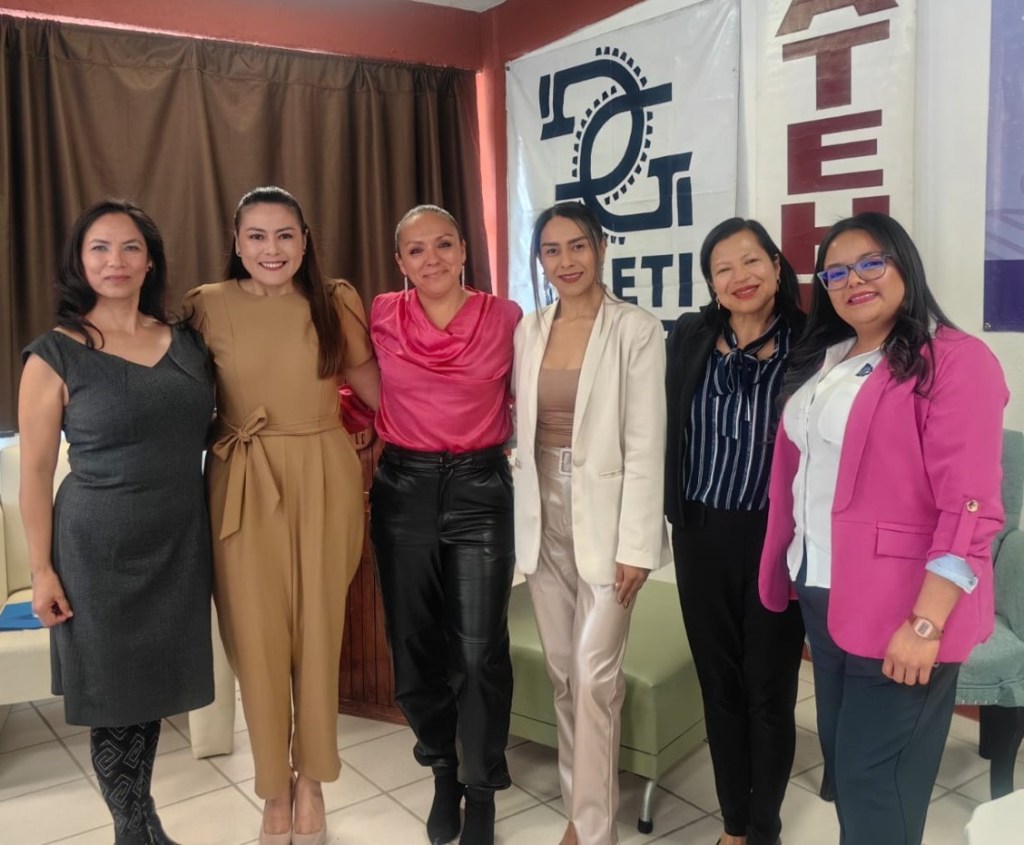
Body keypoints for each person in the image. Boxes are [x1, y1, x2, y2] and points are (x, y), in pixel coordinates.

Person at [759, 212, 1008, 845]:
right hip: (825, 596)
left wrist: (927, 624)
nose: (853, 280)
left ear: (904, 265)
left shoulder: (953, 359)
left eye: (872, 262)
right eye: (836, 271)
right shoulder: (829, 357)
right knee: (848, 768)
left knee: (879, 788)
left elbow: (972, 505)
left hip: (903, 610)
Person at [184, 186, 379, 845]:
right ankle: (273, 787)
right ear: (236, 241)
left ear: (305, 240)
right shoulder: (206, 306)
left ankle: (313, 777)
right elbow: (178, 399)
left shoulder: (336, 300)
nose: (272, 249)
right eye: (258, 235)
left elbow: (380, 391)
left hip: (325, 470)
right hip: (241, 474)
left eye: (285, 235)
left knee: (321, 632)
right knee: (256, 638)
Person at [19, 199, 214, 845]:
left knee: (149, 689)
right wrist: (42, 568)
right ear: (80, 261)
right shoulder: (54, 354)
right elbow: (36, 471)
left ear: (150, 259)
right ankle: (135, 828)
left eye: (129, 247)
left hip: (179, 540)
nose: (115, 261)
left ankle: (142, 821)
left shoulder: (187, 340)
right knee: (115, 697)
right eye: (99, 248)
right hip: (98, 548)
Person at [512, 201, 670, 845]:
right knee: (562, 671)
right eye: (552, 250)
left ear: (601, 247)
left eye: (578, 246)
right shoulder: (530, 327)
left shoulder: (635, 328)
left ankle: (593, 829)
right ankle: (582, 804)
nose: (566, 261)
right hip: (541, 508)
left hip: (607, 519)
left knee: (595, 672)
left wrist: (637, 545)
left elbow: (646, 441)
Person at [369, 204, 521, 845]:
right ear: (399, 261)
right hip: (403, 488)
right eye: (415, 250)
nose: (430, 260)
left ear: (464, 250)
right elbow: (349, 376)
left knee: (479, 649)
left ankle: (481, 789)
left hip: (481, 488)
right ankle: (442, 768)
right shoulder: (379, 314)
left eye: (443, 245)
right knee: (413, 645)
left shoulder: (506, 317)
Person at [664, 218, 807, 845]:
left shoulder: (814, 341)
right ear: (711, 285)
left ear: (777, 267)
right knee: (719, 684)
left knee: (768, 689)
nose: (739, 277)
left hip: (777, 535)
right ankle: (732, 823)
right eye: (723, 268)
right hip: (698, 532)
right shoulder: (692, 335)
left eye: (752, 262)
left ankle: (764, 824)